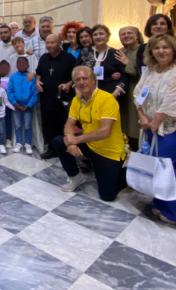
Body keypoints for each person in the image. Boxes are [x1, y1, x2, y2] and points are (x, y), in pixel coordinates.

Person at [133, 34, 176, 223]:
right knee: (154, 166)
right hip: (149, 126)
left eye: (166, 47)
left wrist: (156, 121)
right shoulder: (150, 70)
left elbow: (172, 100)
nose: (161, 51)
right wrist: (142, 116)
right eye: (157, 48)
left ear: (174, 49)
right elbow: (138, 94)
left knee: (164, 168)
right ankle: (159, 204)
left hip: (168, 128)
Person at [53, 66, 126, 201]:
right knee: (58, 141)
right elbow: (69, 125)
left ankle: (127, 173)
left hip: (109, 152)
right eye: (78, 80)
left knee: (107, 196)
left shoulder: (107, 99)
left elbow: (105, 131)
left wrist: (75, 140)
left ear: (93, 80)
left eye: (85, 78)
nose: (81, 82)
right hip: (89, 144)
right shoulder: (77, 100)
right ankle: (75, 176)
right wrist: (70, 142)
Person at [36, 34, 77, 159]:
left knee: (63, 124)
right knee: (48, 125)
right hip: (46, 98)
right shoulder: (44, 58)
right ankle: (52, 149)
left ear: (59, 43)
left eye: (52, 42)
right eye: (47, 43)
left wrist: (69, 84)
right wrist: (37, 82)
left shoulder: (69, 58)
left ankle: (65, 148)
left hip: (63, 99)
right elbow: (39, 73)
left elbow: (75, 75)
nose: (49, 45)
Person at [116, 26, 144, 151]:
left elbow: (145, 72)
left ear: (137, 35)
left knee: (135, 126)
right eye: (123, 34)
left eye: (129, 33)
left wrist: (127, 63)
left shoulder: (144, 50)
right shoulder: (120, 51)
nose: (126, 36)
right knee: (126, 124)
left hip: (138, 92)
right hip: (123, 94)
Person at [79, 24, 128, 97]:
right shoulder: (85, 51)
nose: (98, 37)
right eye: (95, 34)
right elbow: (76, 72)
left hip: (110, 95)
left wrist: (114, 94)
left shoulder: (116, 53)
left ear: (107, 36)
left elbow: (124, 78)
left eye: (101, 34)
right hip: (87, 95)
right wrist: (79, 92)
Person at [7, 56, 38, 154]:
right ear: (16, 65)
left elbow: (35, 93)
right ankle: (19, 143)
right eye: (19, 64)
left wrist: (29, 105)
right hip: (16, 106)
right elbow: (9, 91)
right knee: (17, 125)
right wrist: (14, 103)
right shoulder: (13, 77)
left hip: (28, 106)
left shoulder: (31, 77)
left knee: (28, 126)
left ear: (28, 65)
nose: (22, 66)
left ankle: (28, 144)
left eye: (24, 64)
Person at [0, 60, 14, 148]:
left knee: (7, 121)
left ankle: (8, 139)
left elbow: (10, 91)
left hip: (7, 104)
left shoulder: (9, 79)